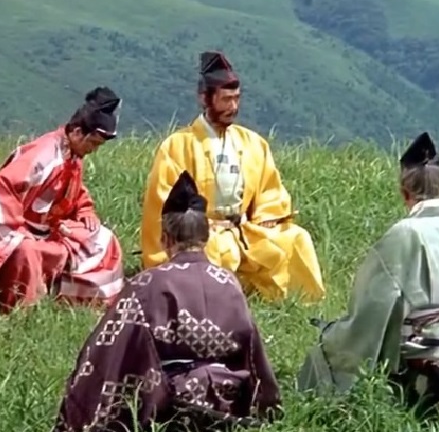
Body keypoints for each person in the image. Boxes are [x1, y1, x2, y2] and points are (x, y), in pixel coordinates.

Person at [44, 171, 282, 432]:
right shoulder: (229, 282)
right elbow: (252, 350)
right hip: (229, 406)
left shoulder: (148, 284)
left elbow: (108, 351)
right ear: (206, 237)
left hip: (173, 410)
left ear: (165, 239)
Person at [296, 132, 439, 400]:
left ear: (404, 193)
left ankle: (316, 403)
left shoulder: (403, 234)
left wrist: (337, 331)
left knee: (327, 347)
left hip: (426, 346)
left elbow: (373, 307)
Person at [139, 51, 325, 303]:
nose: (233, 107)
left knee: (296, 239)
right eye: (226, 100)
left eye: (237, 99)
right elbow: (164, 205)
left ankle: (300, 302)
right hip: (202, 234)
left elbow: (271, 192)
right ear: (204, 98)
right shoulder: (177, 146)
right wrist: (199, 227)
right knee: (214, 251)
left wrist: (265, 219)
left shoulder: (253, 143)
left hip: (247, 230)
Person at [0, 87, 125, 316]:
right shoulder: (42, 156)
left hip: (49, 228)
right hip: (13, 229)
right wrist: (19, 230)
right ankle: (15, 312)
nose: (93, 150)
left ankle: (79, 303)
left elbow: (75, 192)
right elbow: (2, 188)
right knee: (27, 251)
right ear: (77, 132)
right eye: (93, 143)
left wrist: (85, 211)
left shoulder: (73, 156)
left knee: (104, 239)